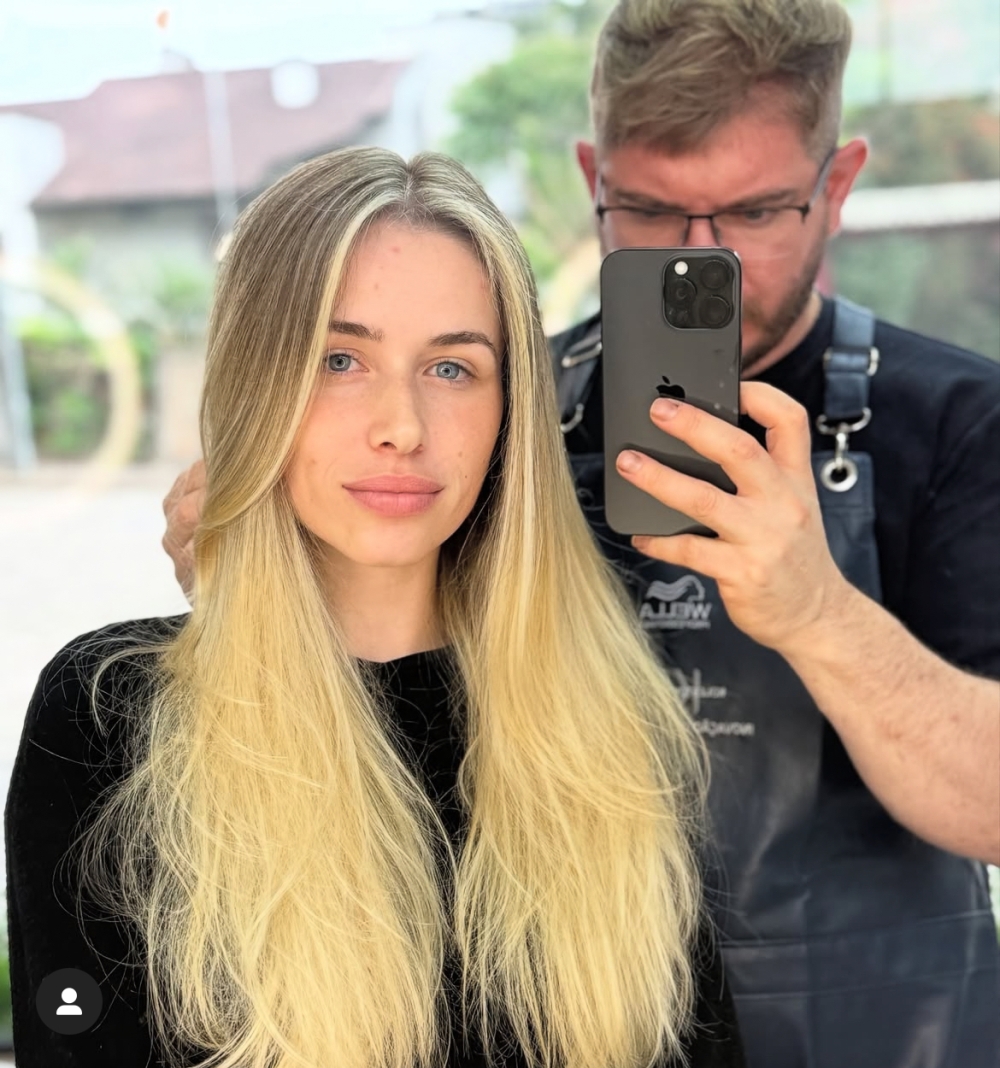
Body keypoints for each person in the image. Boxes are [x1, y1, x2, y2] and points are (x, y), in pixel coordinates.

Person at [158, 2, 996, 1067]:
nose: (701, 256)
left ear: (835, 185)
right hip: (590, 1016)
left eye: (752, 212)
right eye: (648, 210)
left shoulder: (957, 420)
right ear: (593, 177)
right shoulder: (496, 409)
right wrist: (269, 568)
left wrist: (819, 614)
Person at [5, 148, 749, 1068]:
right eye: (341, 359)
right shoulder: (107, 717)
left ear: (509, 413)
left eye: (452, 368)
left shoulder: (604, 722)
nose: (401, 425)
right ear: (254, 385)